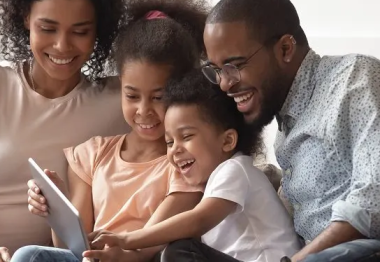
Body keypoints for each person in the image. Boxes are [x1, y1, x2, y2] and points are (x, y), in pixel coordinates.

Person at [11, 0, 210, 262]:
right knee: (28, 256)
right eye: (131, 95)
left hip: (134, 259)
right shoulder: (92, 154)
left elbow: (151, 243)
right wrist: (57, 207)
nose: (143, 111)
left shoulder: (183, 165)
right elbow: (72, 247)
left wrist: (120, 255)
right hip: (88, 258)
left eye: (158, 97)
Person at [199, 0, 380, 262]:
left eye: (234, 66)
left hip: (360, 253)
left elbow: (373, 201)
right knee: (182, 250)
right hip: (302, 253)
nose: (224, 83)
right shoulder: (285, 124)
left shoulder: (353, 80)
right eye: (216, 70)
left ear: (285, 48)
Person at [82, 69, 301, 262]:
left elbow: (199, 220)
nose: (175, 149)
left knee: (180, 251)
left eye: (186, 136)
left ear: (227, 141)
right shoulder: (210, 187)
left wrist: (127, 238)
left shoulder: (236, 170)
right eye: (169, 142)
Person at [0, 0, 130, 260]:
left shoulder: (124, 103)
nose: (62, 46)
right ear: (25, 18)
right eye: (47, 28)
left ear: (98, 29)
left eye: (81, 31)